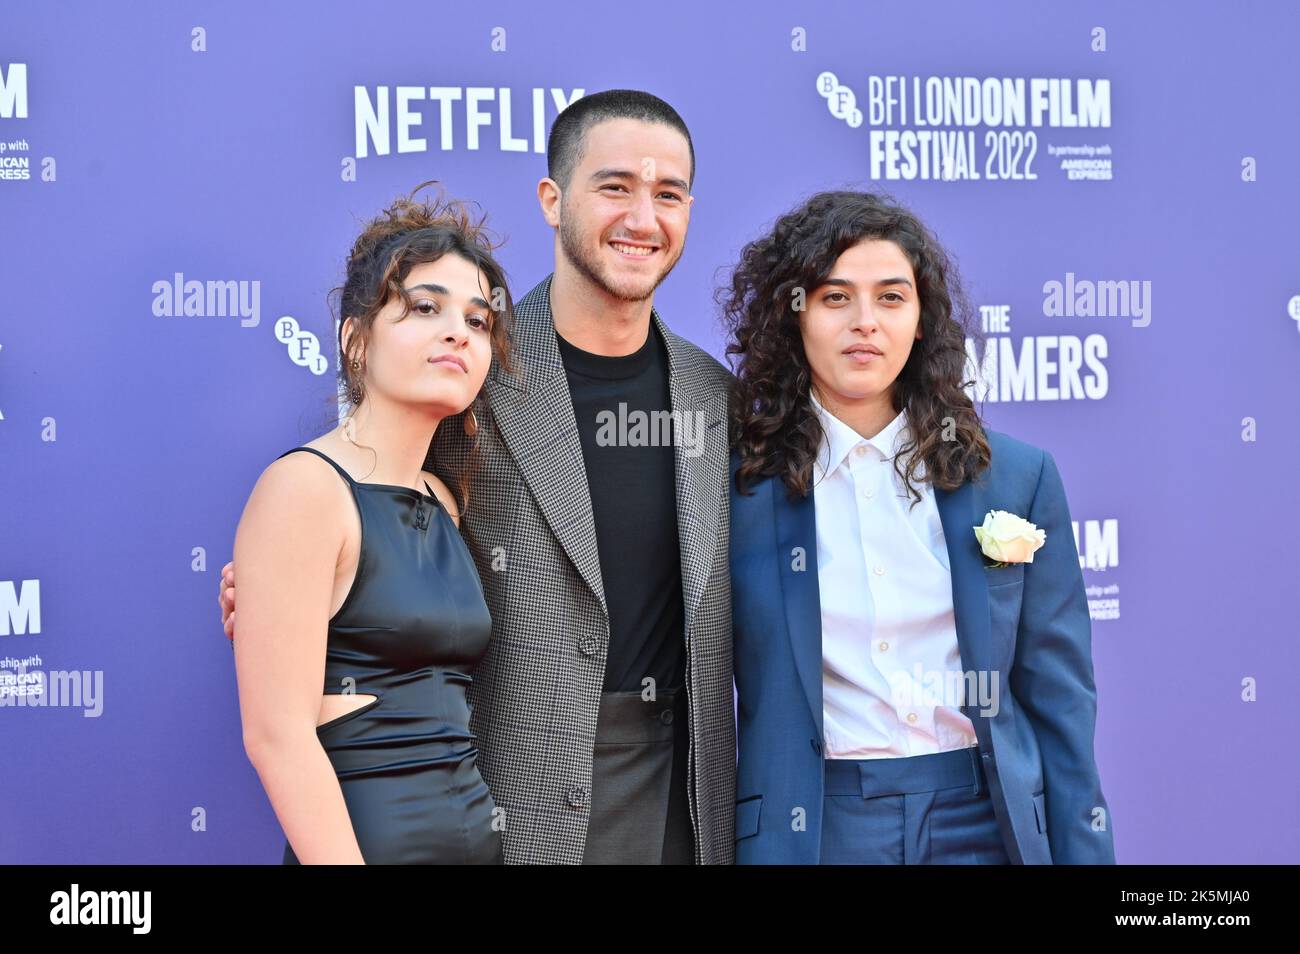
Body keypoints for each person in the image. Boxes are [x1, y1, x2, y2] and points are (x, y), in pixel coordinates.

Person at [222, 90, 736, 864]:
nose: (642, 217)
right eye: (615, 186)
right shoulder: (463, 381)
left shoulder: (713, 395)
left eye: (668, 194)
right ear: (552, 200)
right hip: (505, 812)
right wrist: (268, 598)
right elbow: (356, 529)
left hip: (680, 815)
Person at [723, 190, 1115, 864]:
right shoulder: (738, 488)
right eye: (835, 297)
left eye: (892, 297)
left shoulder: (1018, 478)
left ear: (923, 318)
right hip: (816, 823)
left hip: (983, 818)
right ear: (794, 316)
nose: (865, 323)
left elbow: (1060, 702)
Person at [231, 182, 515, 864]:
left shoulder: (446, 500)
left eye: (478, 322)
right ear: (355, 341)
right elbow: (277, 736)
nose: (457, 332)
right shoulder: (304, 489)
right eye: (424, 309)